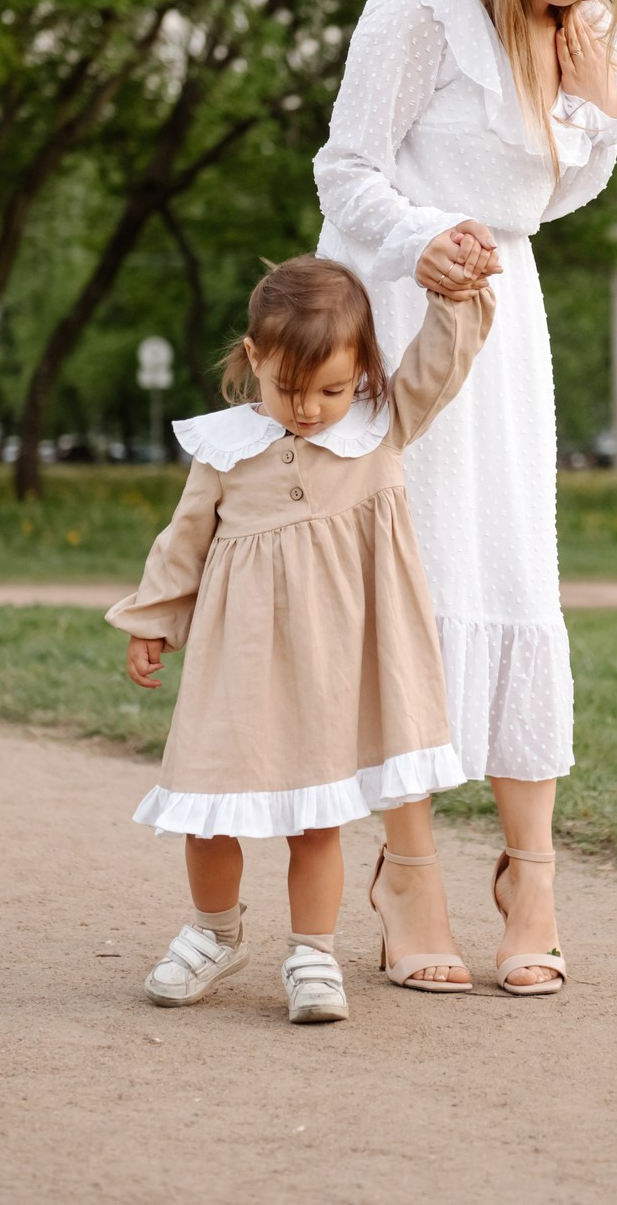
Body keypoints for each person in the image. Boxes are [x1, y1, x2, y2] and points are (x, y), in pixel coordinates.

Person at [314, 0, 617, 995]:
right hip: (397, 306)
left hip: (502, 317)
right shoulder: (420, 1)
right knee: (412, 584)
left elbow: (553, 196)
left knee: (516, 579)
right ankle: (407, 873)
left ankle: (532, 875)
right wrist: (423, 241)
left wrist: (588, 95)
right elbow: (347, 166)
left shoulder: (591, 25)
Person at [106, 254, 494, 1024]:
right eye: (289, 388)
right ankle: (214, 932)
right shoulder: (226, 448)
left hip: (332, 666)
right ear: (254, 359)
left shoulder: (379, 429)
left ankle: (313, 952)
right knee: (209, 806)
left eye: (334, 389)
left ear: (362, 373)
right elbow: (184, 540)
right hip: (237, 662)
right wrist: (154, 618)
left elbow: (442, 364)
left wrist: (454, 296)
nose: (311, 409)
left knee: (317, 816)